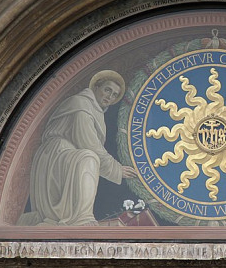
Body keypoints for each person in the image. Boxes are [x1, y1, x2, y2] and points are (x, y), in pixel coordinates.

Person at [17, 70, 137, 226]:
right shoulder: (81, 105)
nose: (110, 97)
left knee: (88, 157)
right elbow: (89, 143)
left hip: (66, 157)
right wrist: (116, 169)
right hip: (56, 156)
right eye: (107, 90)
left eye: (114, 95)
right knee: (89, 158)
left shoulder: (95, 110)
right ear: (96, 86)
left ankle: (78, 217)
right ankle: (82, 218)